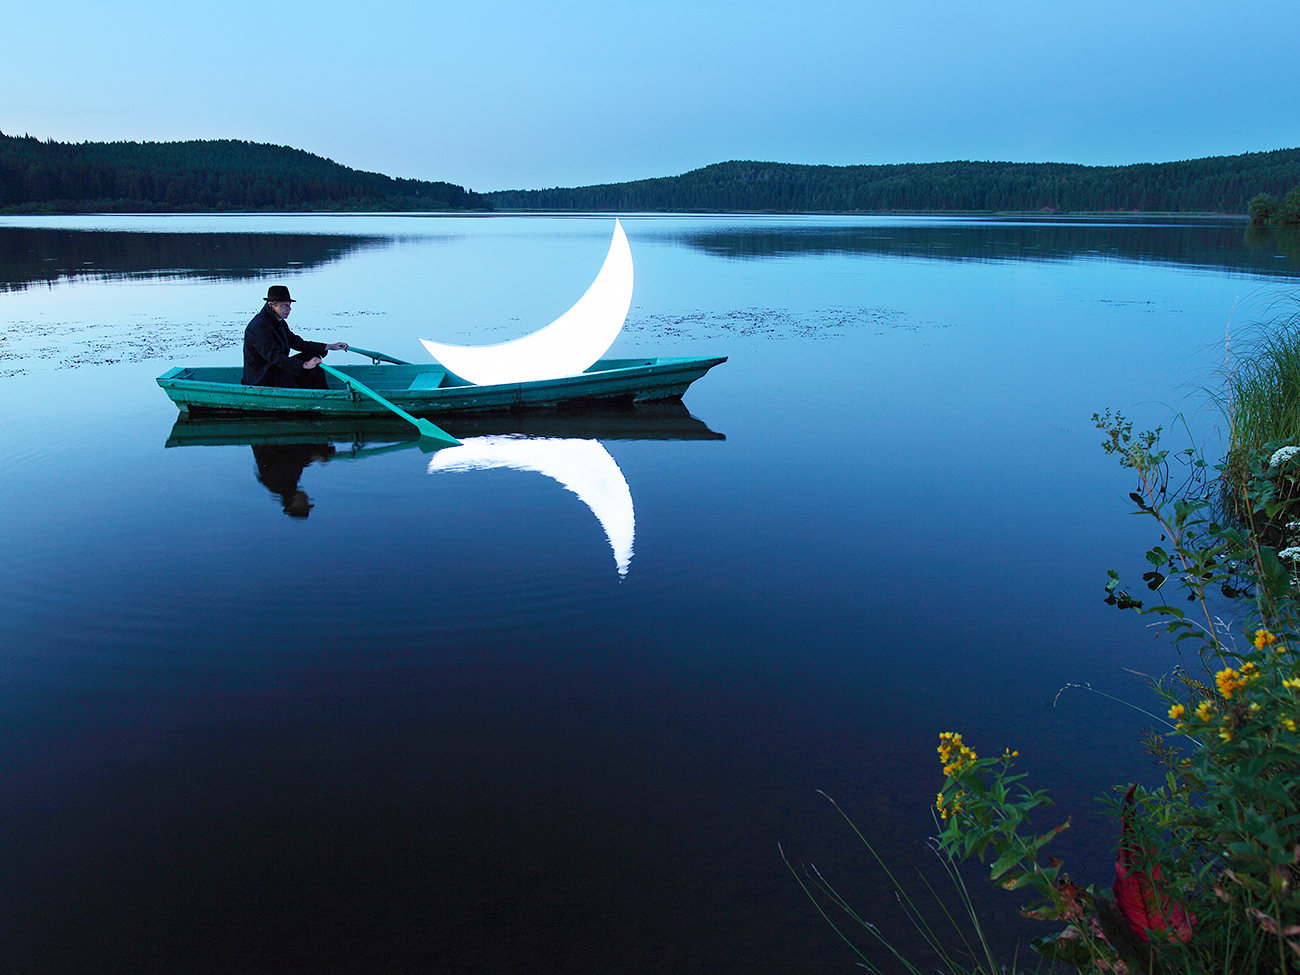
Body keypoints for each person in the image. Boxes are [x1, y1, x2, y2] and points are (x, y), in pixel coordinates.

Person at [242, 285, 349, 388]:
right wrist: (304, 365)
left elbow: (297, 343)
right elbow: (274, 357)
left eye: (289, 304)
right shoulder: (259, 326)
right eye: (284, 305)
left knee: (312, 355)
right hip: (263, 378)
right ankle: (317, 395)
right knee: (306, 364)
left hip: (276, 369)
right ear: (271, 305)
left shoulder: (279, 322)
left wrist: (329, 346)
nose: (289, 309)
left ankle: (321, 392)